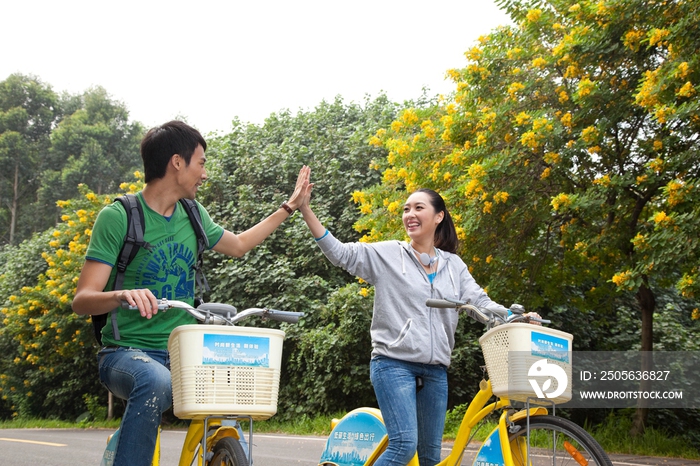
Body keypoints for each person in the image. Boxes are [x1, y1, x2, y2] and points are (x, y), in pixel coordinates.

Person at [72, 120, 311, 466]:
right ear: (177, 162)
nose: (204, 173)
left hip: (183, 352)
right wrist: (121, 295)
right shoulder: (119, 217)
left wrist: (289, 206)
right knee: (154, 381)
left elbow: (240, 245)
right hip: (126, 353)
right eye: (201, 162)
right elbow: (82, 300)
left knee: (233, 385)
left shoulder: (193, 214)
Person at [299, 186, 527, 466]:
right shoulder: (389, 255)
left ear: (438, 216)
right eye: (407, 209)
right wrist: (306, 210)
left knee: (430, 458)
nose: (410, 214)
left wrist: (514, 316)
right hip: (393, 364)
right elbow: (341, 254)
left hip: (435, 370)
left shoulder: (453, 265)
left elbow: (480, 302)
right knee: (404, 446)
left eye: (419, 208)